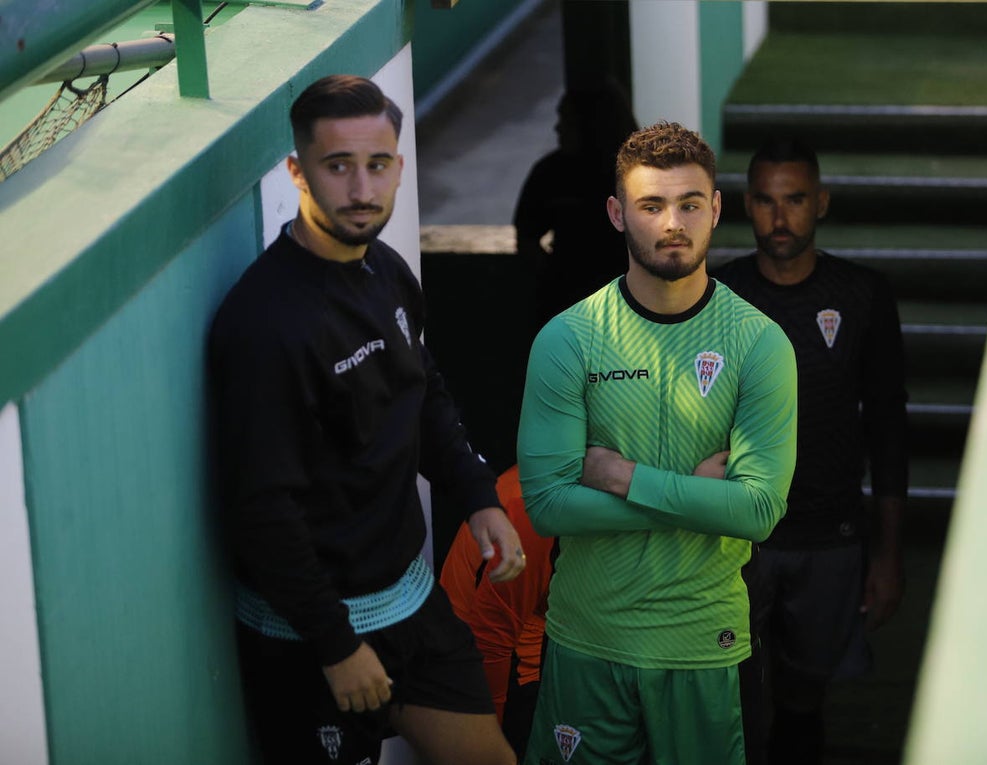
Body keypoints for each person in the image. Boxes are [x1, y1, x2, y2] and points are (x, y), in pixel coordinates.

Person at [208, 74, 524, 765]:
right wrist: (335, 645)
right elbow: (264, 512)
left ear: (399, 168)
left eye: (377, 165)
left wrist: (477, 496)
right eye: (338, 165)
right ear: (298, 171)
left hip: (409, 604)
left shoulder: (386, 270)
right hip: (310, 638)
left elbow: (423, 392)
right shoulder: (267, 325)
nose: (361, 188)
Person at [517, 121, 799, 765]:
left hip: (703, 641)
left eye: (690, 204)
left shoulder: (759, 344)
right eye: (651, 205)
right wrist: (697, 496)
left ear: (716, 209)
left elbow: (757, 511)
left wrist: (622, 477)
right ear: (618, 214)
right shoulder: (569, 339)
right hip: (588, 640)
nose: (673, 222)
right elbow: (549, 506)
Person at [713, 135, 909, 764]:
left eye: (794, 199)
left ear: (820, 202)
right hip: (736, 540)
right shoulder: (715, 295)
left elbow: (888, 428)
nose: (779, 217)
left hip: (830, 535)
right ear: (746, 205)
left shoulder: (864, 295)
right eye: (766, 201)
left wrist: (887, 555)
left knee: (803, 705)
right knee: (727, 699)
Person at [440, 464, 554, 760]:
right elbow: (490, 637)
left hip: (537, 633)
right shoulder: (537, 503)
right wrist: (492, 741)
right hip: (494, 659)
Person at [513, 77, 638, 328]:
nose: (558, 128)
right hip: (567, 309)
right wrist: (557, 276)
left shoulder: (640, 175)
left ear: (592, 126)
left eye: (567, 120)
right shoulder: (550, 173)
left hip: (629, 310)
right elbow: (526, 236)